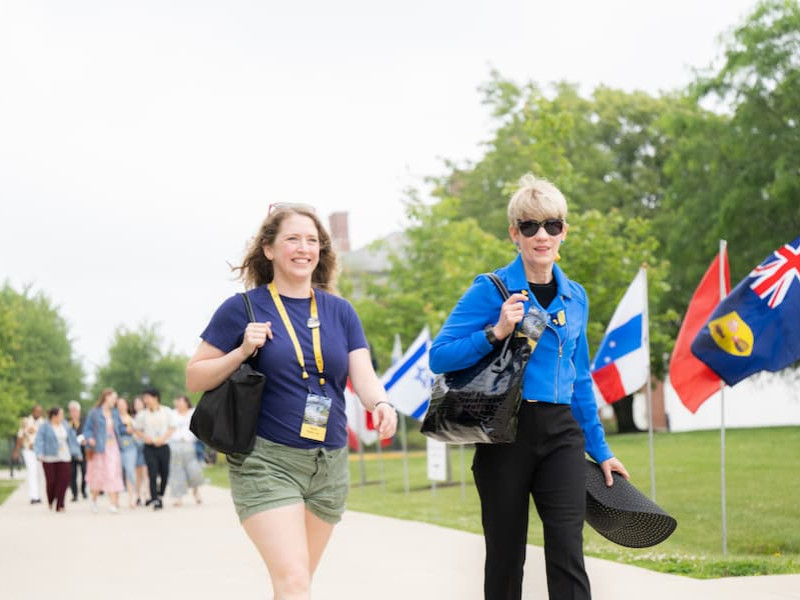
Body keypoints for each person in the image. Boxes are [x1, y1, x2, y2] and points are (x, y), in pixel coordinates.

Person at [429, 174, 630, 600]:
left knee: (567, 553)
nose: (542, 235)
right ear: (514, 234)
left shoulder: (576, 296)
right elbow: (440, 356)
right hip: (506, 434)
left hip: (561, 434)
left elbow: (579, 379)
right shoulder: (491, 289)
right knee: (505, 557)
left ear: (564, 232)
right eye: (530, 226)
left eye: (552, 225)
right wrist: (496, 330)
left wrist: (602, 450)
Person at [186, 204, 397, 599]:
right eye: (293, 239)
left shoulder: (340, 311)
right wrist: (241, 350)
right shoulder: (243, 308)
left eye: (312, 240)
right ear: (269, 249)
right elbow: (195, 374)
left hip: (328, 463)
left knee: (296, 584)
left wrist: (380, 403)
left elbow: (362, 372)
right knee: (294, 581)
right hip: (267, 462)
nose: (304, 248)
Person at [83, 388, 125, 514]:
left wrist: (129, 429)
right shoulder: (94, 413)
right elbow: (87, 429)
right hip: (99, 448)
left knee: (113, 473)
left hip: (113, 448)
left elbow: (120, 428)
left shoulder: (115, 413)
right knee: (99, 475)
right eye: (114, 398)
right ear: (106, 397)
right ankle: (94, 500)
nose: (115, 401)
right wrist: (90, 438)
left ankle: (113, 503)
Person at [133, 387, 175, 510]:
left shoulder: (166, 411)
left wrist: (163, 438)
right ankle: (155, 499)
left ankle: (160, 494)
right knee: (152, 473)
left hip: (163, 446)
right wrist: (144, 437)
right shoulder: (142, 415)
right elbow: (137, 429)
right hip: (149, 447)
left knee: (164, 473)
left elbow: (172, 428)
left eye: (147, 397)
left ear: (155, 397)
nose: (145, 400)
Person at [34, 407, 81, 512]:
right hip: (49, 457)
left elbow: (72, 440)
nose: (63, 417)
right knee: (51, 481)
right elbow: (39, 440)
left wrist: (77, 453)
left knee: (63, 480)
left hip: (64, 456)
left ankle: (60, 504)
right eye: (61, 414)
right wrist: (39, 453)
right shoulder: (45, 426)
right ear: (54, 416)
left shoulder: (65, 425)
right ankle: (51, 499)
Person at [168, 395, 204, 506]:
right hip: (175, 445)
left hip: (190, 445)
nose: (179, 404)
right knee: (176, 472)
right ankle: (178, 497)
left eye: (182, 401)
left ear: (187, 402)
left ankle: (196, 491)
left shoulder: (192, 412)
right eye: (178, 401)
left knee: (194, 470)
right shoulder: (172, 414)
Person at [12, 404, 44, 504]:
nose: (38, 413)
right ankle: (33, 496)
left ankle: (38, 495)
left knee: (39, 473)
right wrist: (16, 450)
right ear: (33, 411)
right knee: (32, 471)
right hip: (28, 450)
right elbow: (20, 436)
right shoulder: (26, 422)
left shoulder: (43, 422)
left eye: (40, 411)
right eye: (37, 411)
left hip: (40, 451)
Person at [117, 396, 140, 508]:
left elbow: (137, 431)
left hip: (130, 447)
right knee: (118, 473)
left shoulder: (132, 419)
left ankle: (132, 497)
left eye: (123, 404)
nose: (121, 407)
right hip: (118, 448)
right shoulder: (115, 418)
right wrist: (125, 430)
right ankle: (117, 499)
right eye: (119, 405)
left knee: (130, 471)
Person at [66, 400, 87, 501]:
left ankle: (83, 490)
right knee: (72, 473)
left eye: (74, 410)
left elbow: (88, 432)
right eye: (71, 411)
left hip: (83, 450)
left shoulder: (85, 421)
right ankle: (74, 494)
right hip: (71, 451)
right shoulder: (67, 423)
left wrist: (85, 440)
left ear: (79, 411)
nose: (73, 413)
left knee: (84, 471)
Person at [131, 395, 149, 505]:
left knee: (146, 472)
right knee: (137, 473)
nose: (137, 406)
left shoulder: (147, 416)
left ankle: (146, 495)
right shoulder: (131, 418)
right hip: (135, 447)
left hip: (145, 446)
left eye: (139, 403)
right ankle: (137, 495)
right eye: (135, 404)